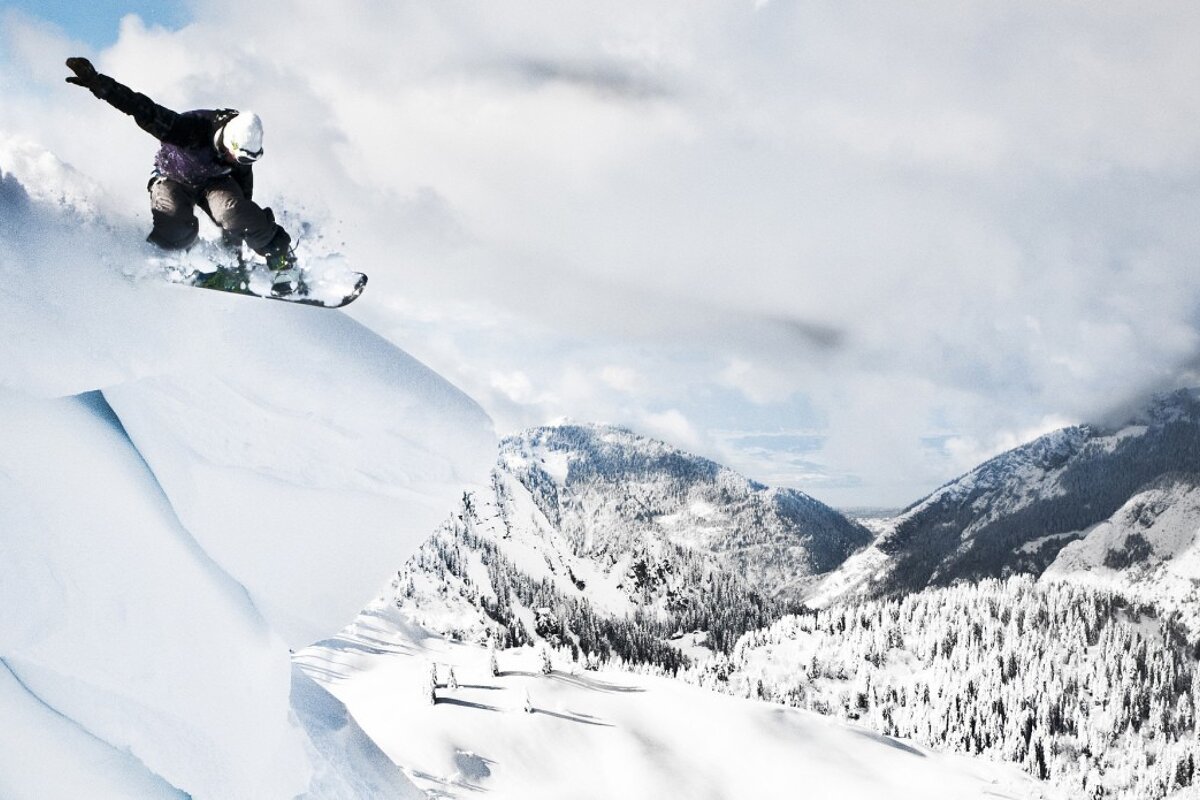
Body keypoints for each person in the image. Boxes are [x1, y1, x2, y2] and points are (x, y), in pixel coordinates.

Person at [64, 57, 300, 294]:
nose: (241, 163)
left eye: (248, 160)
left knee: (235, 213)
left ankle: (282, 263)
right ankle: (174, 264)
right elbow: (140, 107)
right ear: (228, 143)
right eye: (239, 157)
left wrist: (236, 245)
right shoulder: (189, 128)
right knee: (176, 225)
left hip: (214, 183)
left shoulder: (240, 155)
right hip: (173, 177)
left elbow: (242, 203)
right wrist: (100, 84)